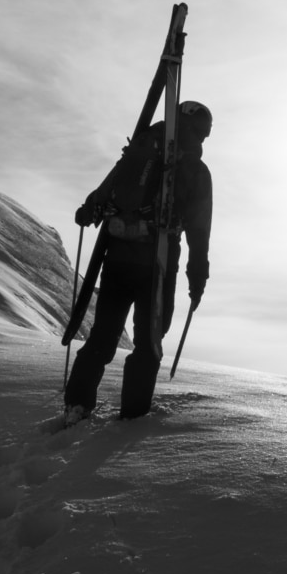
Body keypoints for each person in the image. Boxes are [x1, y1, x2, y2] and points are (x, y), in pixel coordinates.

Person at [64, 100, 213, 420]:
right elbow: (198, 230)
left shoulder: (138, 153)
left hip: (117, 258)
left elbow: (102, 196)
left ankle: (76, 406)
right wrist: (197, 275)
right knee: (148, 343)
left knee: (102, 338)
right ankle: (132, 416)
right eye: (203, 134)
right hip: (158, 266)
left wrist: (89, 210)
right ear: (199, 131)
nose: (202, 141)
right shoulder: (195, 171)